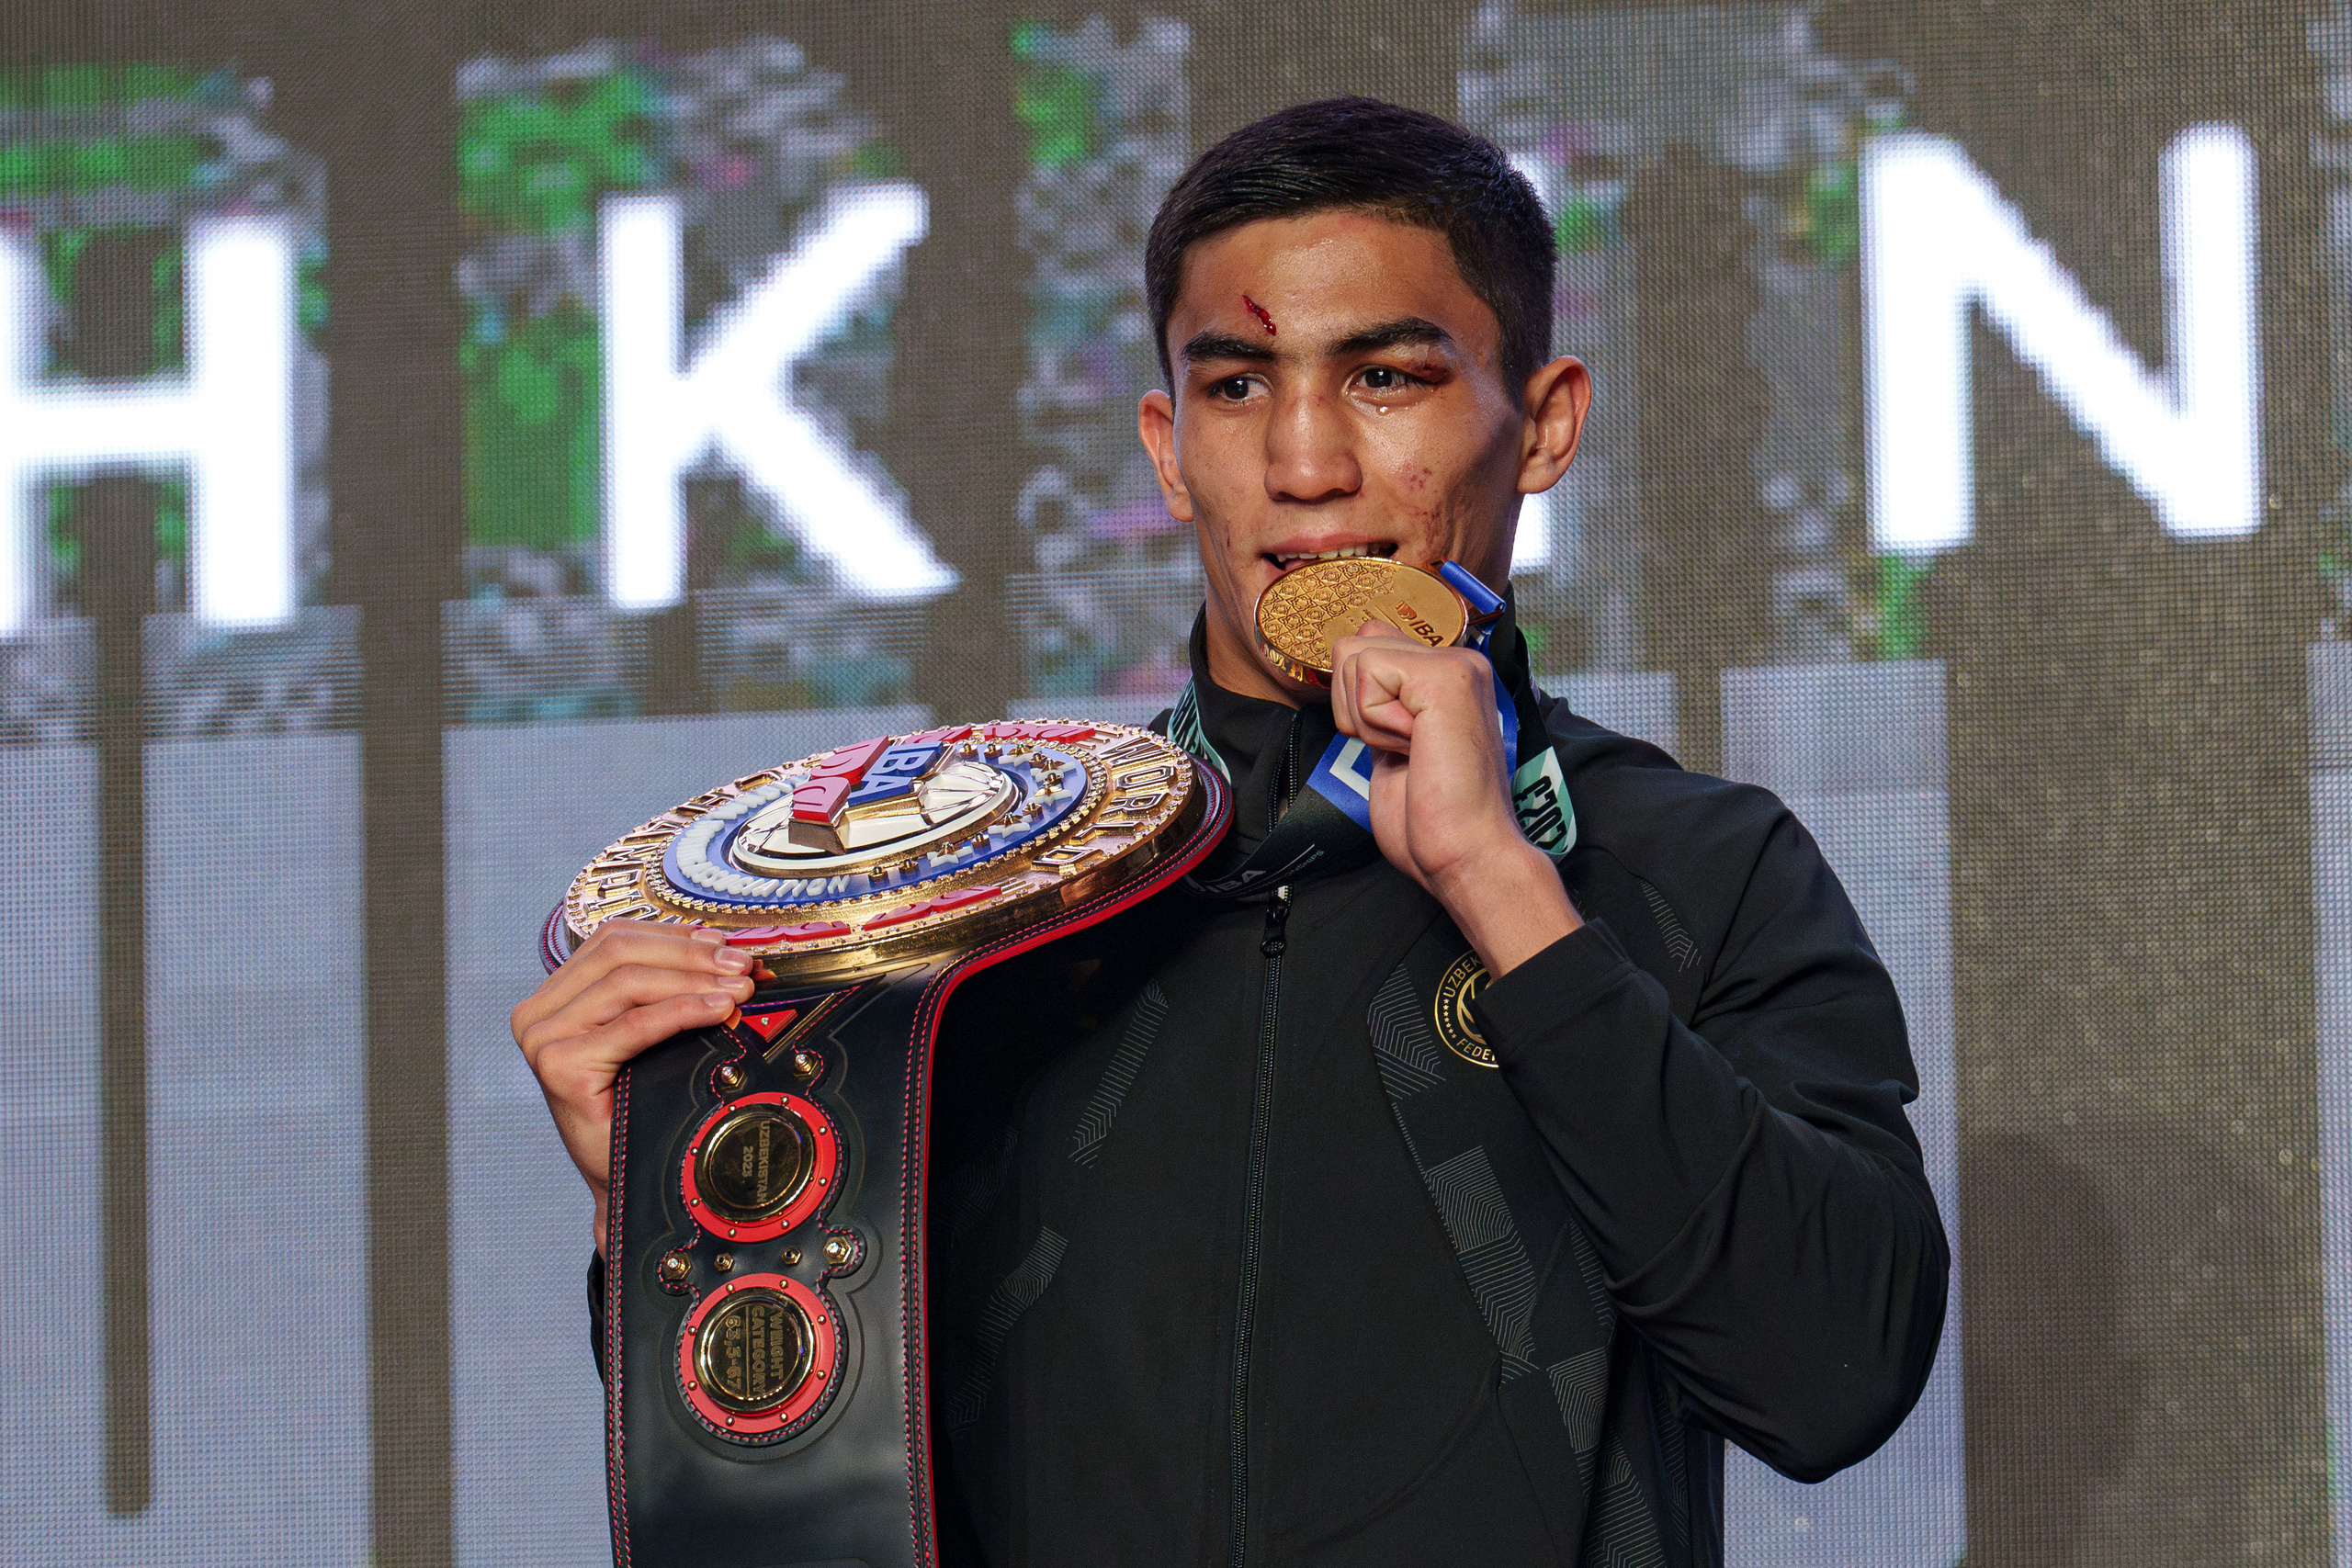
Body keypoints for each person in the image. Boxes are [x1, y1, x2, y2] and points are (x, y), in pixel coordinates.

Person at [512, 96, 1948, 1566]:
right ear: (1167, 444)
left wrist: (1504, 891)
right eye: (1241, 386)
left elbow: (1826, 1378)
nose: (1307, 461)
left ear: (1546, 423)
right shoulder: (974, 913)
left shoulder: (1693, 871)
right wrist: (689, 1198)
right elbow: (806, 1518)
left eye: (1387, 376)